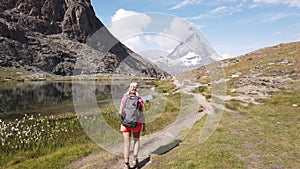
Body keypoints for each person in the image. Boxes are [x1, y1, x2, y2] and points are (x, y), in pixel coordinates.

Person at [119, 82, 146, 169]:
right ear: (137, 89)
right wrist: (144, 126)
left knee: (127, 144)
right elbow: (141, 114)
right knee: (136, 140)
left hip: (125, 123)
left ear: (129, 88)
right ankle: (135, 159)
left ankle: (126, 164)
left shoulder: (124, 98)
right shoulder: (139, 100)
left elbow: (120, 112)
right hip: (137, 124)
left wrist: (125, 118)